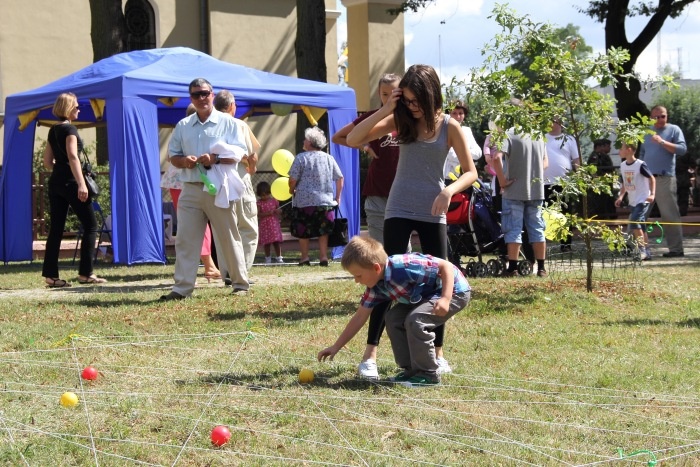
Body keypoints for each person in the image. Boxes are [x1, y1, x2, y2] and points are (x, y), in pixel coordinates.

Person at [346, 64, 478, 379]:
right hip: (399, 207)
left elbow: (471, 172)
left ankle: (438, 354)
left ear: (430, 94)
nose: (411, 106)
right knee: (385, 279)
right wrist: (387, 108)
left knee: (436, 282)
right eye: (406, 99)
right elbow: (352, 139)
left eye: (415, 99)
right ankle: (370, 357)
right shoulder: (400, 119)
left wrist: (449, 190)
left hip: (434, 209)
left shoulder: (450, 126)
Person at [317, 236, 471, 387]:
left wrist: (445, 298)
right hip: (425, 296)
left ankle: (428, 374)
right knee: (393, 318)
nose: (357, 280)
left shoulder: (404, 265)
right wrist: (336, 346)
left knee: (415, 320)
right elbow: (359, 317)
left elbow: (446, 267)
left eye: (358, 275)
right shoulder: (375, 287)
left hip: (454, 291)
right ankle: (411, 370)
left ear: (376, 267)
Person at [160, 78, 253, 300]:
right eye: (196, 95)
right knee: (185, 239)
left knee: (229, 236)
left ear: (212, 94)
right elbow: (173, 156)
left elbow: (241, 153)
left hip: (219, 187)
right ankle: (182, 289)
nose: (201, 98)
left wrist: (216, 158)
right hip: (191, 188)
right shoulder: (183, 126)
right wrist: (185, 161)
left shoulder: (228, 122)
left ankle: (240, 284)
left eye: (204, 93)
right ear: (190, 98)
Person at [41, 92, 107, 287]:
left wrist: (60, 170)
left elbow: (47, 162)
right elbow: (73, 156)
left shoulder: (52, 131)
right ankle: (86, 274)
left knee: (56, 229)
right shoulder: (70, 129)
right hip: (72, 183)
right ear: (68, 108)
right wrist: (81, 183)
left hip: (56, 183)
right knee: (91, 225)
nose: (79, 109)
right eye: (76, 106)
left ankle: (51, 276)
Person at [332, 73, 401, 244]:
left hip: (402, 190)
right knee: (379, 245)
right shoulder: (372, 117)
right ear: (379, 94)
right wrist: (364, 146)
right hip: (377, 189)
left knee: (401, 246)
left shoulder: (410, 119)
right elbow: (338, 136)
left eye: (394, 93)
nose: (389, 98)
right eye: (385, 94)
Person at [160, 103, 221, 280]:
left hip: (182, 181)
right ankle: (209, 265)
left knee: (192, 224)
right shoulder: (187, 129)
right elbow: (172, 156)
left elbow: (169, 156)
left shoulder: (181, 128)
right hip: (186, 181)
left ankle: (201, 266)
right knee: (197, 223)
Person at [213, 90, 261, 272]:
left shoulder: (209, 125)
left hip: (216, 180)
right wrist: (252, 169)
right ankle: (241, 273)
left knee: (223, 230)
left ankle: (226, 271)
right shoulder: (239, 124)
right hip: (239, 178)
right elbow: (252, 156)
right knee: (247, 228)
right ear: (232, 106)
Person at [492, 126, 549, 277]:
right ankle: (542, 268)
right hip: (536, 190)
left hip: (514, 190)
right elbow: (545, 162)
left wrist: (502, 181)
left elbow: (496, 158)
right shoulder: (538, 133)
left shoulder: (509, 134)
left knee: (513, 228)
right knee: (537, 228)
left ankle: (512, 268)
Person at [288, 126, 344, 266]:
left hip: (303, 202)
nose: (304, 141)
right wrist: (338, 197)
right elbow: (340, 177)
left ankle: (305, 258)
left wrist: (291, 190)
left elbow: (292, 179)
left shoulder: (301, 158)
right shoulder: (328, 158)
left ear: (310, 142)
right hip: (324, 202)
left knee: (303, 230)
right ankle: (323, 257)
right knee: (323, 231)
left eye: (306, 139)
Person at [639, 105, 687, 257]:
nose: (659, 119)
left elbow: (682, 150)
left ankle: (676, 249)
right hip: (646, 179)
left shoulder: (674, 130)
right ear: (650, 117)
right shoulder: (646, 131)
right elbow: (641, 154)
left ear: (667, 116)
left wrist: (662, 142)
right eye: (656, 117)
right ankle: (634, 248)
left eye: (662, 116)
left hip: (664, 178)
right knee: (638, 213)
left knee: (669, 215)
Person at [543, 118, 580, 251]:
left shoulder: (569, 139)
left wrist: (579, 176)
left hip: (565, 183)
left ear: (560, 123)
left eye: (555, 120)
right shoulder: (541, 138)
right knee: (544, 213)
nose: (552, 122)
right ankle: (543, 244)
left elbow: (576, 159)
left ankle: (566, 244)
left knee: (565, 213)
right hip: (544, 183)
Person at [615, 142, 655, 261]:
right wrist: (621, 196)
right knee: (641, 227)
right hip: (632, 200)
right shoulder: (622, 165)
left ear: (629, 150)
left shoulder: (640, 165)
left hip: (642, 199)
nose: (619, 151)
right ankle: (647, 252)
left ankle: (642, 250)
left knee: (634, 222)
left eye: (621, 148)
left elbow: (652, 178)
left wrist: (652, 194)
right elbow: (625, 184)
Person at [443, 100, 483, 179]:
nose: (458, 117)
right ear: (449, 114)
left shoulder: (467, 130)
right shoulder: (444, 131)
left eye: (460, 113)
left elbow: (478, 153)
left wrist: (462, 153)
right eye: (454, 113)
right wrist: (468, 153)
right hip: (448, 177)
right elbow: (451, 155)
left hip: (464, 176)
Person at [586, 138, 617, 220]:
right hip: (601, 182)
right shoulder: (595, 156)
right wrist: (597, 180)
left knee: (607, 200)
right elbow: (593, 170)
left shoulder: (602, 156)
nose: (609, 148)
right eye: (606, 146)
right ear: (599, 147)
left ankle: (609, 215)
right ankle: (602, 216)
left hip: (605, 181)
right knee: (600, 201)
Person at [256, 181, 284, 264]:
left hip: (274, 224)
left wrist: (279, 211)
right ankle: (268, 258)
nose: (265, 197)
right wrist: (267, 213)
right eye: (263, 195)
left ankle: (279, 257)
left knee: (276, 242)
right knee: (267, 243)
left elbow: (279, 210)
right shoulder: (259, 203)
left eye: (266, 194)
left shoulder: (274, 201)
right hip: (265, 226)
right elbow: (258, 214)